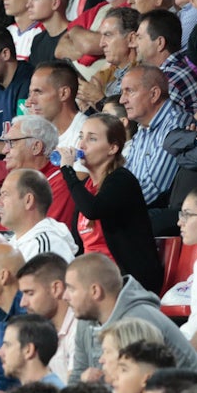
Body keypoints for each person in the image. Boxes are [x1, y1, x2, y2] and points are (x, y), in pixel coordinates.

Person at [59, 114, 163, 291]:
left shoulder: (122, 180)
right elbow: (78, 244)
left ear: (112, 148)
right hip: (93, 277)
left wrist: (67, 170)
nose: (81, 145)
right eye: (80, 137)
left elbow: (94, 209)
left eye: (91, 139)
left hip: (126, 280)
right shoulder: (87, 187)